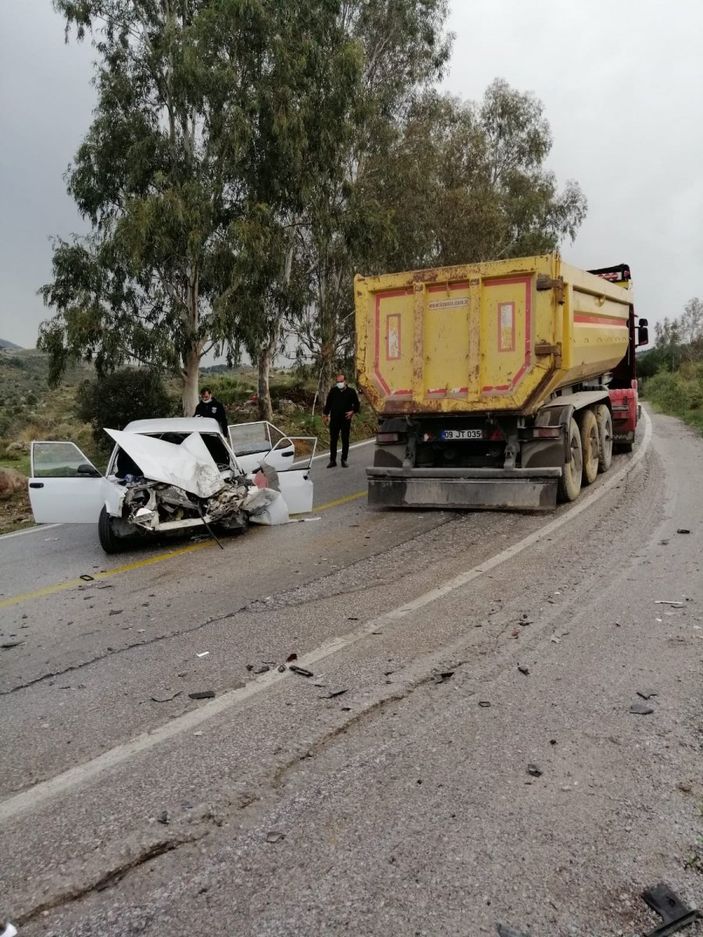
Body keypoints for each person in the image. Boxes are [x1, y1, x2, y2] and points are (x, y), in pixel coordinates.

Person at [323, 372, 360, 468]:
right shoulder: (333, 391)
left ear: (345, 381)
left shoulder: (351, 392)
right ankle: (332, 460)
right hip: (334, 419)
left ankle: (344, 459)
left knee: (345, 439)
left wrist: (352, 412)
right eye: (337, 381)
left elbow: (357, 405)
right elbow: (328, 404)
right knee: (333, 440)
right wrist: (326, 415)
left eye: (341, 381)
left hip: (345, 419)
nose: (339, 383)